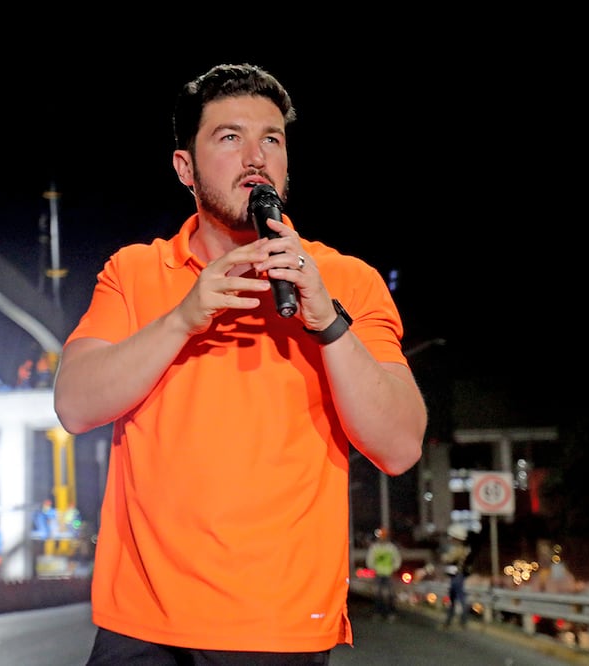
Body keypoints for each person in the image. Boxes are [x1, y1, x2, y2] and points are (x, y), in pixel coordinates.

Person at [53, 63, 428, 664]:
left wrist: (328, 323)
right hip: (141, 626)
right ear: (185, 167)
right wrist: (182, 318)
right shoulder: (134, 272)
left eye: (271, 140)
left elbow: (401, 445)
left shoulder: (347, 281)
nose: (255, 156)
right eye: (229, 137)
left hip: (276, 629)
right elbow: (74, 404)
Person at [440, 524, 475, 629]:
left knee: (456, 599)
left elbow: (448, 559)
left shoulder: (458, 550)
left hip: (456, 577)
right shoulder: (465, 549)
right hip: (458, 576)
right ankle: (455, 621)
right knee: (457, 599)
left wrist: (444, 557)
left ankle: (456, 621)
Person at [365, 528, 403, 621]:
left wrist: (394, 568)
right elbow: (370, 560)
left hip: (388, 573)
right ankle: (379, 613)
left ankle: (390, 613)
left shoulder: (391, 548)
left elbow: (397, 559)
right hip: (379, 573)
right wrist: (373, 568)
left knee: (390, 594)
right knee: (378, 594)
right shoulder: (375, 548)